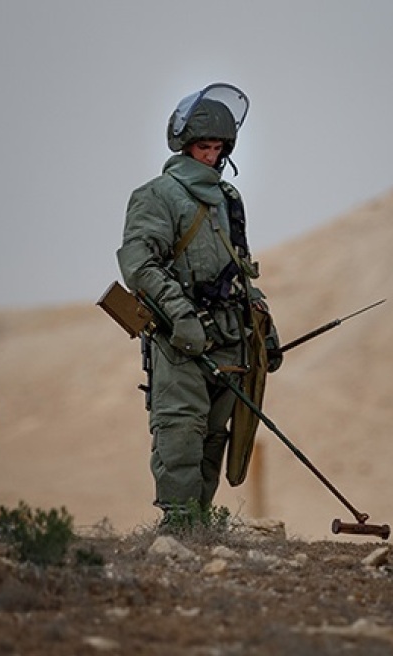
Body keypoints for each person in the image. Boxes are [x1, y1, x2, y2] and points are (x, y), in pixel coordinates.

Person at [117, 83, 281, 527]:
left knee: (214, 441)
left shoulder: (228, 200)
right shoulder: (157, 195)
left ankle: (201, 535)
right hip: (180, 342)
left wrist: (263, 323)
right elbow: (139, 265)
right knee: (180, 437)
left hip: (229, 340)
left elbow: (240, 266)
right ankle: (177, 534)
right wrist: (182, 317)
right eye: (201, 146)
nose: (209, 155)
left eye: (216, 147)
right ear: (185, 146)